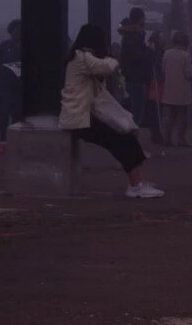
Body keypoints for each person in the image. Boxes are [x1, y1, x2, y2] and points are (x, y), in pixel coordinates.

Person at [61, 22, 162, 198]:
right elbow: (107, 67)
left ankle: (138, 181)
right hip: (81, 118)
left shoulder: (81, 57)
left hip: (87, 115)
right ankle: (136, 184)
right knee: (121, 140)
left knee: (125, 137)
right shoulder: (82, 57)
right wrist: (111, 58)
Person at [117, 8, 155, 133]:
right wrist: (149, 50)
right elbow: (137, 56)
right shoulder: (132, 36)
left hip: (133, 78)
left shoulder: (130, 35)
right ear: (139, 20)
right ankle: (132, 145)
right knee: (136, 115)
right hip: (135, 79)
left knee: (135, 114)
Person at [0, 19, 23, 149]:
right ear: (11, 32)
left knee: (17, 114)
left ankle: (15, 140)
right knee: (4, 114)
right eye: (16, 30)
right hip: (4, 87)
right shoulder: (3, 47)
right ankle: (3, 140)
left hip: (19, 88)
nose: (18, 33)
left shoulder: (27, 47)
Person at [157, 29, 192, 147]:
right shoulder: (186, 55)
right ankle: (181, 140)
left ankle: (167, 138)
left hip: (169, 88)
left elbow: (163, 70)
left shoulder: (167, 53)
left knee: (171, 115)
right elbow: (189, 74)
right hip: (183, 89)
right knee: (182, 117)